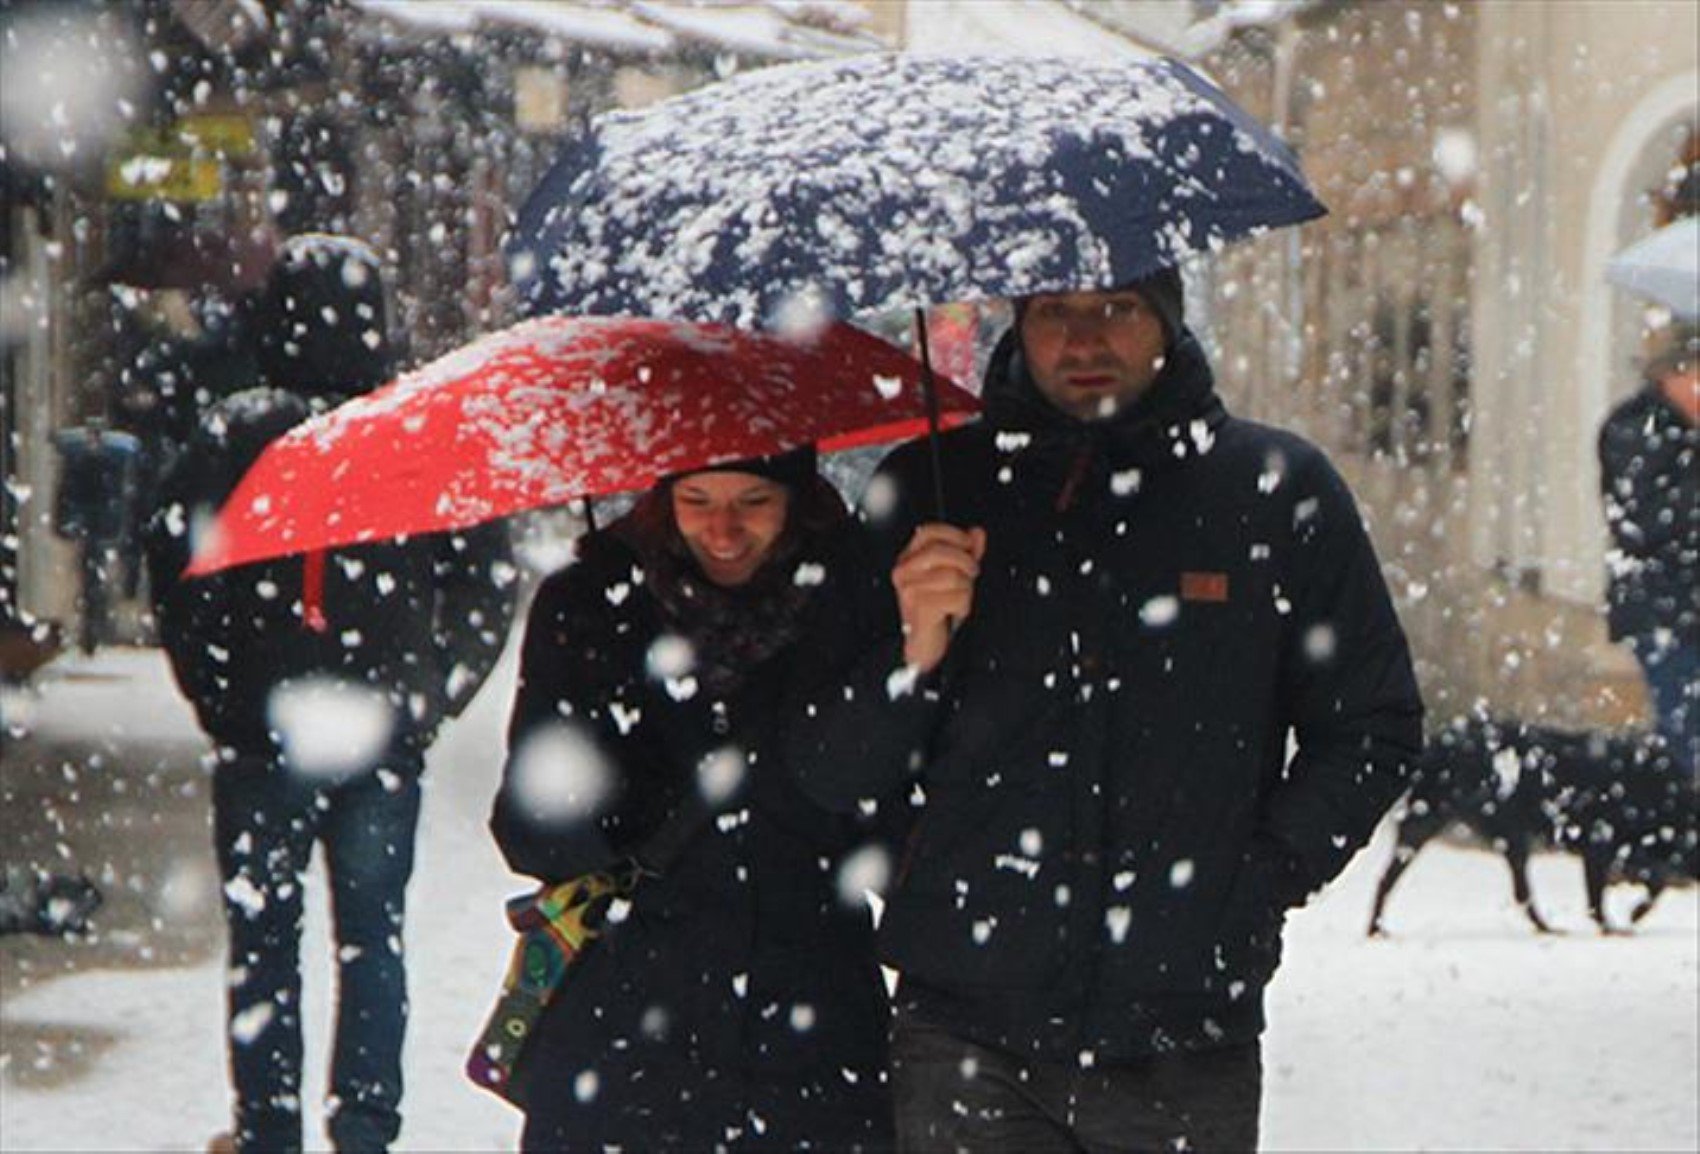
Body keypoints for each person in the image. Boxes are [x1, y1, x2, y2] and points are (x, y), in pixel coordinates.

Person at [786, 269, 1425, 1152]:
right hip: (964, 1030)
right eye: (1055, 312)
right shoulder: (933, 490)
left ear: (1166, 319)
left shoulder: (1274, 492)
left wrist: (1255, 881)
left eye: (1117, 309)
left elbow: (1371, 727)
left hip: (1181, 1036)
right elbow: (829, 766)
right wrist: (913, 653)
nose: (1084, 341)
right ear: (1018, 320)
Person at [144, 235, 515, 1154]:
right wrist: (429, 696)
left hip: (265, 735)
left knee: (265, 944)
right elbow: (483, 582)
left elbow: (175, 572)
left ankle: (268, 1128)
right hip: (381, 733)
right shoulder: (417, 432)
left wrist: (224, 695)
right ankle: (364, 1128)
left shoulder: (236, 433)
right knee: (371, 941)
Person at [490, 449, 896, 1153]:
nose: (724, 529)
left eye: (754, 501)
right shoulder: (590, 607)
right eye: (698, 500)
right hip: (627, 1030)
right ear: (662, 502)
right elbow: (530, 835)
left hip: (815, 1033)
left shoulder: (856, 603)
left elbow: (882, 818)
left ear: (799, 502)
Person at [1598, 325, 1699, 778]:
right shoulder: (1635, 429)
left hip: (1685, 606)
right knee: (1687, 733)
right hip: (1666, 612)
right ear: (1672, 376)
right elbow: (1646, 521)